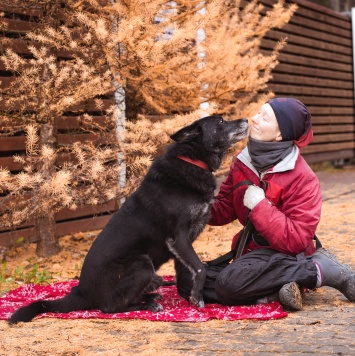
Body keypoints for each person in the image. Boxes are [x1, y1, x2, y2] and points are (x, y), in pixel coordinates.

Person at [176, 97, 355, 310]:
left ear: (280, 134)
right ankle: (277, 291)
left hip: (285, 253)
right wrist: (190, 202)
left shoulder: (303, 178)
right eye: (259, 113)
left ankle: (318, 269)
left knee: (228, 285)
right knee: (188, 280)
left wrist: (260, 206)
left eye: (265, 117)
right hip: (251, 255)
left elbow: (296, 239)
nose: (254, 119)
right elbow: (224, 208)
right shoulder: (243, 162)